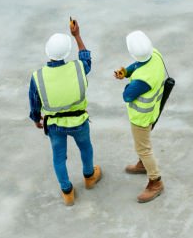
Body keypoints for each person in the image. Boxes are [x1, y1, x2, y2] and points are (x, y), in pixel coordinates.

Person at [29, 19, 102, 206]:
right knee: (86, 148)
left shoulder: (38, 77)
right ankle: (89, 177)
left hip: (54, 125)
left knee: (59, 158)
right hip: (79, 121)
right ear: (67, 52)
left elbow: (35, 102)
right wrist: (77, 36)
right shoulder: (78, 68)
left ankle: (67, 192)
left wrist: (36, 119)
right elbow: (86, 58)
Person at [114, 30, 167, 203]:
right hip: (154, 109)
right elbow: (139, 64)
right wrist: (127, 72)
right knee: (143, 146)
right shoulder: (155, 54)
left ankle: (155, 182)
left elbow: (127, 95)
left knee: (143, 148)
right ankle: (142, 163)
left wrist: (129, 81)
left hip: (141, 118)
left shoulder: (142, 80)